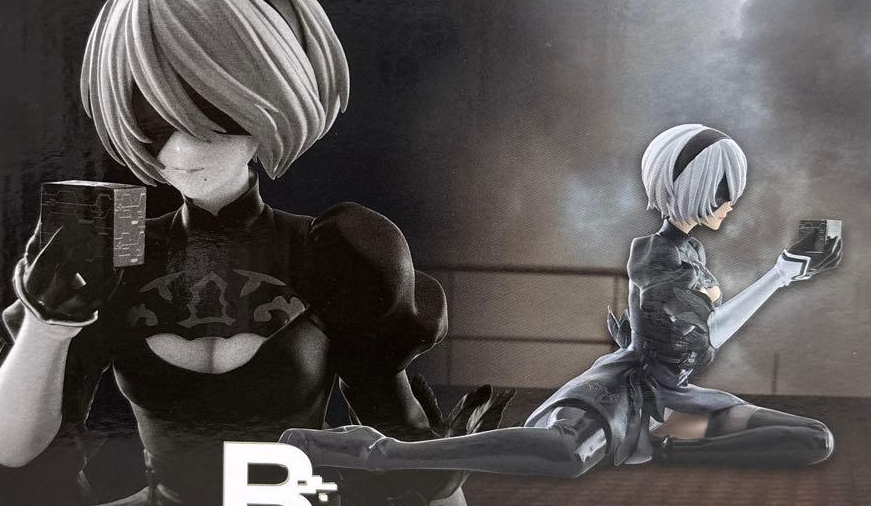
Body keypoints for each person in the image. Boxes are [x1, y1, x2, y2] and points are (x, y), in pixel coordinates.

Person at [0, 0, 504, 506]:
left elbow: (411, 453)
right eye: (151, 119)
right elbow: (10, 453)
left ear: (268, 107)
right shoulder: (123, 247)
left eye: (210, 114)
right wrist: (47, 325)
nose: (180, 149)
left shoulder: (333, 251)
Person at [282, 124, 842, 479]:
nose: (730, 202)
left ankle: (670, 449)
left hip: (676, 406)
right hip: (628, 392)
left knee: (812, 438)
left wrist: (780, 275)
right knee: (567, 454)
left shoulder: (691, 255)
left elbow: (702, 335)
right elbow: (688, 338)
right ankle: (381, 453)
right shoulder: (658, 256)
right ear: (688, 185)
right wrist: (774, 279)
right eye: (721, 190)